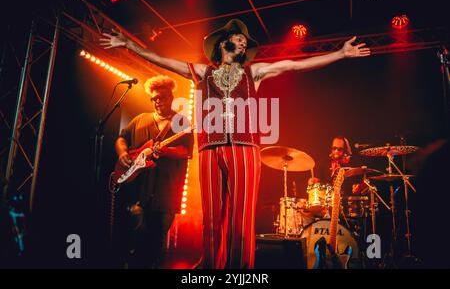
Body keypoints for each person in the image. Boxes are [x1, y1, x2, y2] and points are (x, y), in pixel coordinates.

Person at [101, 19, 370, 268]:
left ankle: (240, 271)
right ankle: (211, 267)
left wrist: (340, 53)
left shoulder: (255, 72)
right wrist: (129, 45)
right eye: (239, 37)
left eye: (245, 40)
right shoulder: (202, 72)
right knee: (212, 222)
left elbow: (294, 64)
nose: (244, 42)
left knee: (241, 221)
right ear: (223, 43)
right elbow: (162, 60)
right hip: (209, 151)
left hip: (244, 149)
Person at [114, 75, 193, 268]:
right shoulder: (140, 119)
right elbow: (121, 138)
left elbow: (186, 151)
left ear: (171, 98)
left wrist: (165, 150)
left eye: (162, 97)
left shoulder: (181, 122)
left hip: (166, 191)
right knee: (135, 237)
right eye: (154, 98)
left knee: (155, 242)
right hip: (138, 189)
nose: (158, 102)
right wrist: (123, 152)